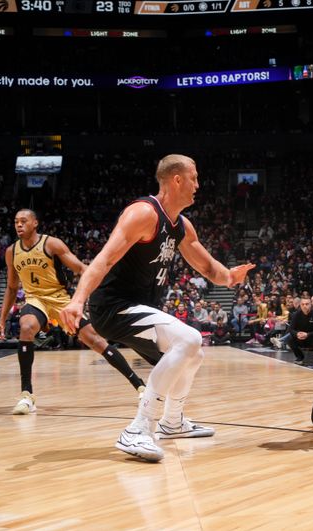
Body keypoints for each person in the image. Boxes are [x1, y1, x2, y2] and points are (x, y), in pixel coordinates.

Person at [60, 154, 254, 462]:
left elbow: (207, 267)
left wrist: (231, 276)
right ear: (176, 180)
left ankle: (173, 422)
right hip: (114, 307)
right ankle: (139, 429)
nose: (198, 185)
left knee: (194, 353)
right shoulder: (143, 214)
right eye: (194, 178)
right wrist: (77, 300)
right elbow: (104, 259)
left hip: (139, 307)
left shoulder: (180, 226)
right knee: (189, 339)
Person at [0, 209, 146, 415]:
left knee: (96, 341)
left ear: (35, 223)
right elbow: (12, 287)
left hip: (61, 299)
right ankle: (26, 395)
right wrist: (1, 320)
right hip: (35, 300)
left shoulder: (52, 244)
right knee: (26, 327)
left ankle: (139, 385)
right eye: (16, 222)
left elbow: (82, 269)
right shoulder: (12, 251)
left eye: (23, 221)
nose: (18, 225)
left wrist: (85, 298)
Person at [287, 297, 313, 364]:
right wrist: (297, 334)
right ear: (300, 305)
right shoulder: (296, 315)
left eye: (307, 304)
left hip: (312, 338)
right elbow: (291, 329)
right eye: (303, 304)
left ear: (310, 305)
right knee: (289, 338)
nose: (305, 306)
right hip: (300, 338)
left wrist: (308, 334)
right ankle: (299, 357)